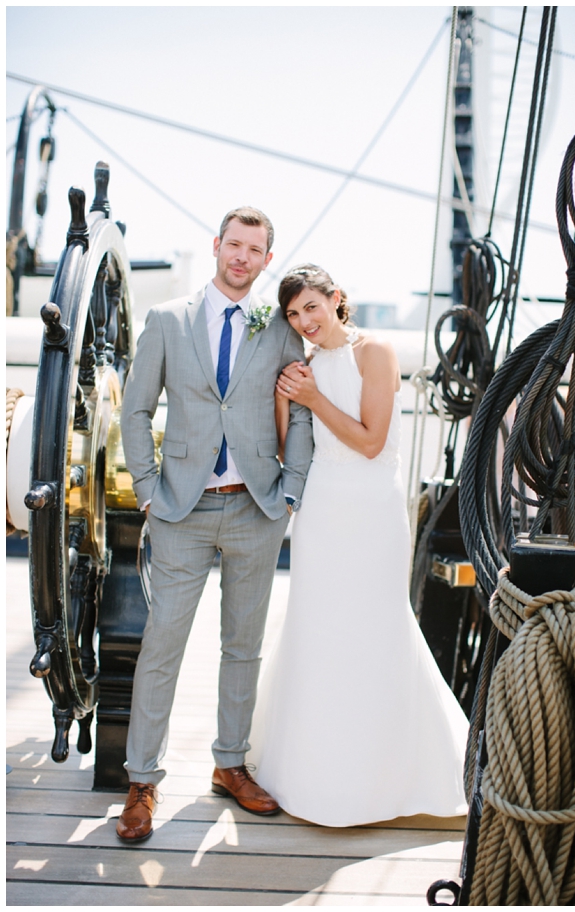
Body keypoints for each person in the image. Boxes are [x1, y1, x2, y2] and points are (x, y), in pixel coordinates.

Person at [117, 207, 313, 842]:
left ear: (264, 261)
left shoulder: (280, 330)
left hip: (257, 507)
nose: (242, 257)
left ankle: (230, 764)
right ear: (216, 246)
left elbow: (302, 413)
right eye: (234, 244)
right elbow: (136, 408)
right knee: (162, 646)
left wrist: (291, 491)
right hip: (180, 509)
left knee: (243, 647)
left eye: (255, 250)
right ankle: (142, 780)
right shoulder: (169, 320)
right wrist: (148, 490)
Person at [247, 264, 468, 826]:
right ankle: (312, 774)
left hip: (371, 505)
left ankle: (387, 777)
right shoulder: (306, 365)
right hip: (322, 508)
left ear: (336, 299)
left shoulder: (376, 352)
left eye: (311, 308)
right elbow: (283, 443)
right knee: (316, 627)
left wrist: (314, 398)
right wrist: (284, 394)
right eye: (294, 315)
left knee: (376, 624)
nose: (305, 321)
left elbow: (371, 440)